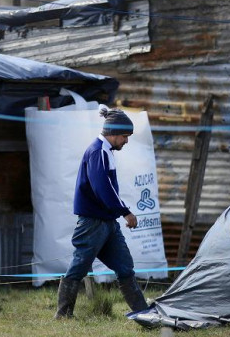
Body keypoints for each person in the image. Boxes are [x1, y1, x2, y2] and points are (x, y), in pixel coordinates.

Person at [54, 108, 149, 319]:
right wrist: (125, 212)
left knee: (125, 266)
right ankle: (62, 315)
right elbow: (102, 188)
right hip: (92, 223)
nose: (126, 141)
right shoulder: (99, 152)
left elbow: (108, 190)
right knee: (79, 266)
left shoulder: (106, 151)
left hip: (107, 221)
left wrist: (118, 212)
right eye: (125, 136)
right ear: (113, 133)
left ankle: (143, 314)